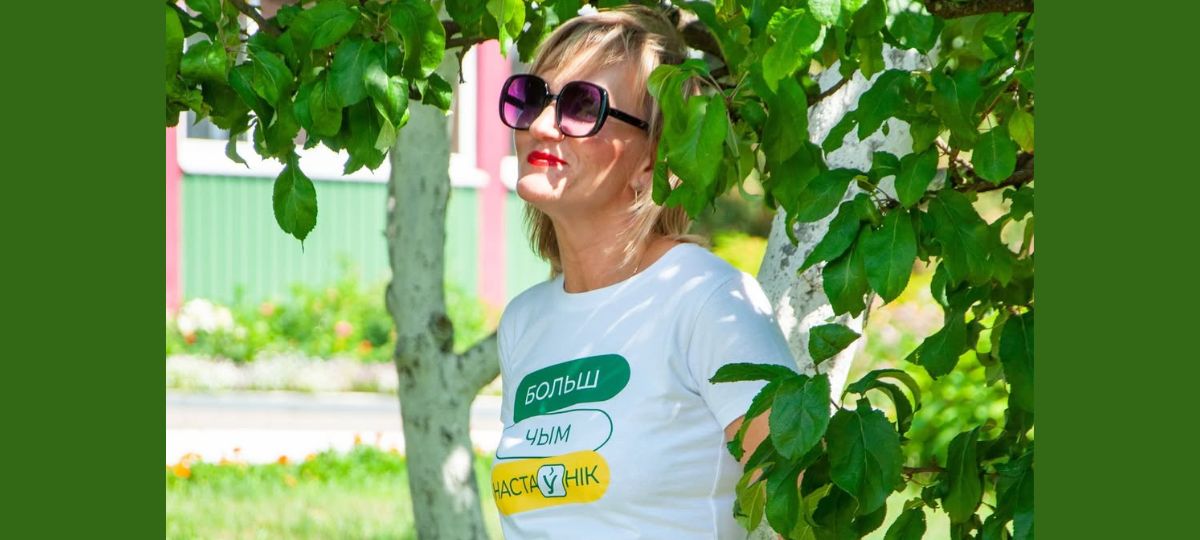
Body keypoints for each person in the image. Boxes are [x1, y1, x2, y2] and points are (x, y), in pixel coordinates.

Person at [489, 5, 800, 539]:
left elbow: (801, 507)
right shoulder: (524, 322)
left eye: (582, 106)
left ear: (652, 160)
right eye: (533, 98)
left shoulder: (708, 301)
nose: (539, 126)